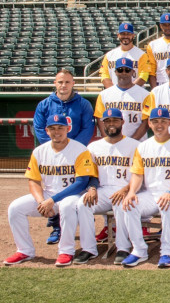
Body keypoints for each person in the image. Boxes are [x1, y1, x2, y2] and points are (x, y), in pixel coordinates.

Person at [4, 114, 97, 267]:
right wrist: (41, 202)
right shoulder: (39, 151)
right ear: (46, 131)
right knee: (15, 208)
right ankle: (25, 250)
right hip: (48, 195)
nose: (57, 132)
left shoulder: (80, 150)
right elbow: (33, 180)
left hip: (72, 195)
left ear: (68, 129)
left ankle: (66, 251)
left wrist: (51, 201)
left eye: (60, 128)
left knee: (67, 206)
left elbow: (81, 183)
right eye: (52, 128)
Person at [120, 108, 170, 268]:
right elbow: (137, 174)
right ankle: (139, 250)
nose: (159, 125)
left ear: (169, 122)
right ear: (149, 123)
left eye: (163, 121)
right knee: (129, 206)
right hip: (150, 193)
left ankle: (167, 251)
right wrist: (131, 192)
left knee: (167, 206)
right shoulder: (143, 147)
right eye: (155, 121)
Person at [33, 68, 95, 245]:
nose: (63, 85)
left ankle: (84, 222)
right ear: (55, 83)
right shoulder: (44, 104)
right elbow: (39, 128)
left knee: (77, 187)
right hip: (53, 151)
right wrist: (54, 146)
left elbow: (87, 128)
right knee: (53, 186)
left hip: (76, 152)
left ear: (73, 83)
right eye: (60, 82)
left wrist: (72, 148)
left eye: (67, 82)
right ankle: (56, 226)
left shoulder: (83, 104)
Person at [75, 108, 138, 265]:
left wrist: (126, 190)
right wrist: (92, 188)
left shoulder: (135, 145)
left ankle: (123, 248)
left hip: (126, 188)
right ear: (102, 124)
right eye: (107, 121)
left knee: (121, 204)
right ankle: (89, 249)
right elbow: (91, 173)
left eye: (115, 120)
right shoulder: (93, 147)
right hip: (102, 190)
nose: (111, 124)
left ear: (122, 122)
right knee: (83, 204)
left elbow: (140, 174)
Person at [94, 58, 150, 141]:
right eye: (120, 70)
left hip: (137, 143)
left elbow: (146, 122)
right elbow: (100, 119)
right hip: (112, 143)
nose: (123, 73)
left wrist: (132, 141)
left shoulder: (145, 94)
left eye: (127, 70)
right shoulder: (104, 94)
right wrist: (108, 140)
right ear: (115, 72)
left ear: (133, 72)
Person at [99, 22, 150, 88]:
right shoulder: (109, 55)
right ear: (118, 35)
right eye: (123, 34)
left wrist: (129, 90)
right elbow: (104, 75)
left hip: (135, 92)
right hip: (114, 92)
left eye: (128, 34)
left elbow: (144, 76)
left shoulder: (141, 55)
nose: (125, 36)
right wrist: (114, 91)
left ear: (133, 35)